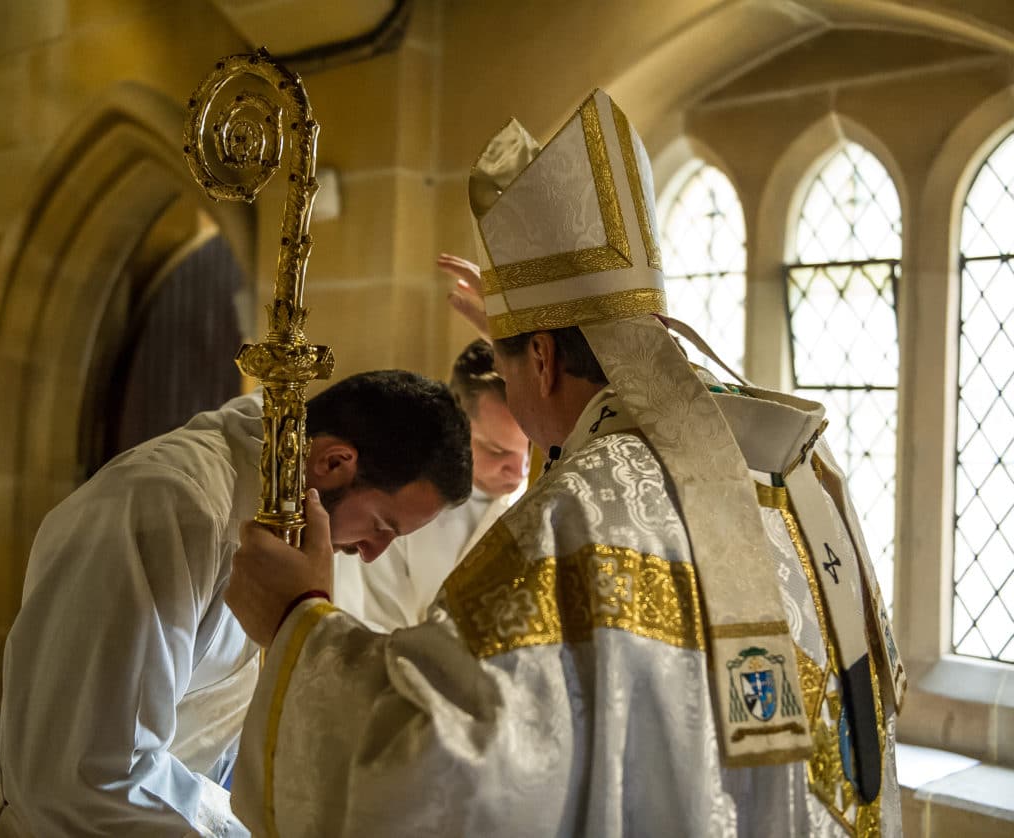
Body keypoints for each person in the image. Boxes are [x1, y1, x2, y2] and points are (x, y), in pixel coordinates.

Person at [225, 89, 906, 837]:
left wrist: (297, 623)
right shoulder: (792, 458)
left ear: (544, 359)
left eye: (514, 374)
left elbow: (438, 772)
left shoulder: (579, 513)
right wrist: (533, 330)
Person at [0, 371, 471, 837]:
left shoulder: (298, 518)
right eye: (382, 526)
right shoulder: (167, 506)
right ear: (333, 462)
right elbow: (87, 775)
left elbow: (219, 727)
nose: (372, 553)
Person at [334, 338, 529, 630]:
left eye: (529, 448)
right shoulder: (403, 500)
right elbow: (376, 624)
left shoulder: (549, 488)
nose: (519, 469)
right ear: (459, 422)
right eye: (497, 450)